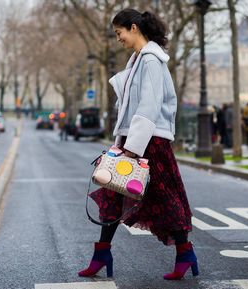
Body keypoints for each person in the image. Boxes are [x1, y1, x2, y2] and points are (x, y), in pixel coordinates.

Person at [78, 9, 196, 280]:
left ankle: (185, 252)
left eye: (119, 33)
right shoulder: (138, 60)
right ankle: (102, 253)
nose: (118, 38)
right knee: (112, 194)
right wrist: (123, 141)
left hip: (150, 142)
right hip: (134, 139)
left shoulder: (151, 61)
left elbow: (149, 106)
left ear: (133, 28)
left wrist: (133, 147)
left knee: (165, 199)